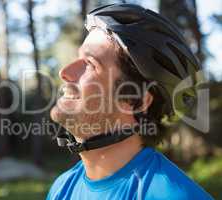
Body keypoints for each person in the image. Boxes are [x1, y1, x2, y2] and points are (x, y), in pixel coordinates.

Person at [47, 4, 213, 200]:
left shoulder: (171, 195)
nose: (64, 72)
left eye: (90, 64)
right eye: (78, 57)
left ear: (138, 101)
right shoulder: (62, 188)